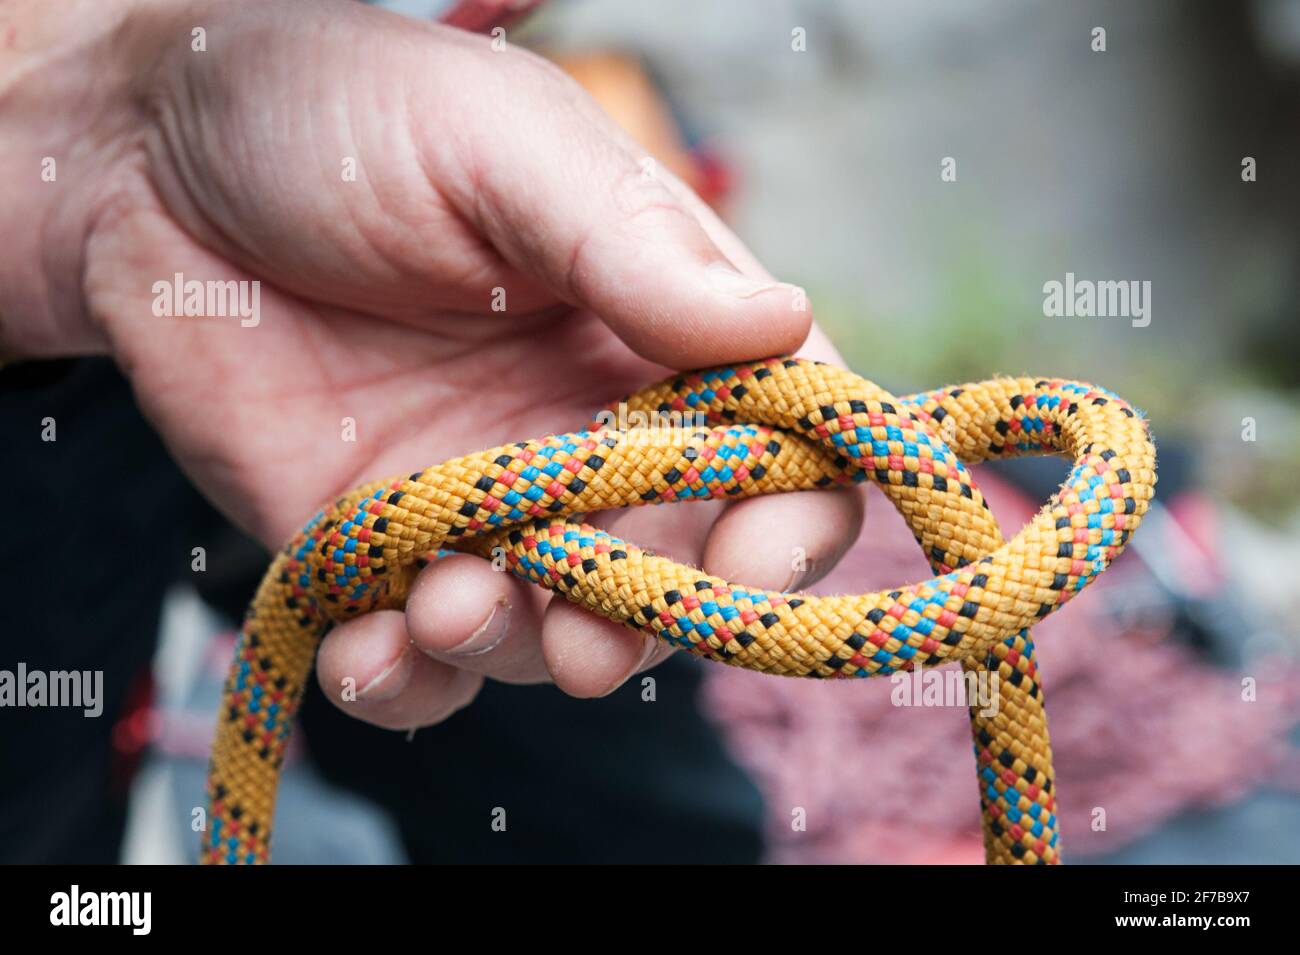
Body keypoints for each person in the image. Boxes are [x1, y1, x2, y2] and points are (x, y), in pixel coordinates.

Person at [0, 0, 864, 861]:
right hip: (76, 333)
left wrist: (125, 118)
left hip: (403, 287)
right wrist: (81, 124)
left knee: (630, 813)